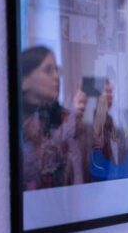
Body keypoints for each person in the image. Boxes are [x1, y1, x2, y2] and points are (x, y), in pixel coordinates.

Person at [18, 46, 89, 189]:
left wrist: (101, 113)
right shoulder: (16, 123)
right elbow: (33, 168)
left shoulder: (63, 116)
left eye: (57, 70)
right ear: (24, 81)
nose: (56, 76)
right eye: (48, 70)